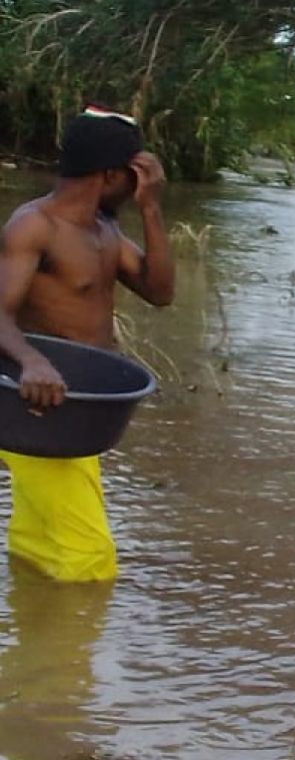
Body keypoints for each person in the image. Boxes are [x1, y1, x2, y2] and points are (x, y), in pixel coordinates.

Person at [0, 104, 174, 583]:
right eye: (140, 176)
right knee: (90, 563)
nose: (142, 185)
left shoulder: (106, 232)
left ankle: (32, 639)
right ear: (113, 174)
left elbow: (160, 292)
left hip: (76, 412)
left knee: (38, 540)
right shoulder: (34, 225)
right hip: (37, 408)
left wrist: (152, 209)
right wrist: (32, 361)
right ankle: (72, 653)